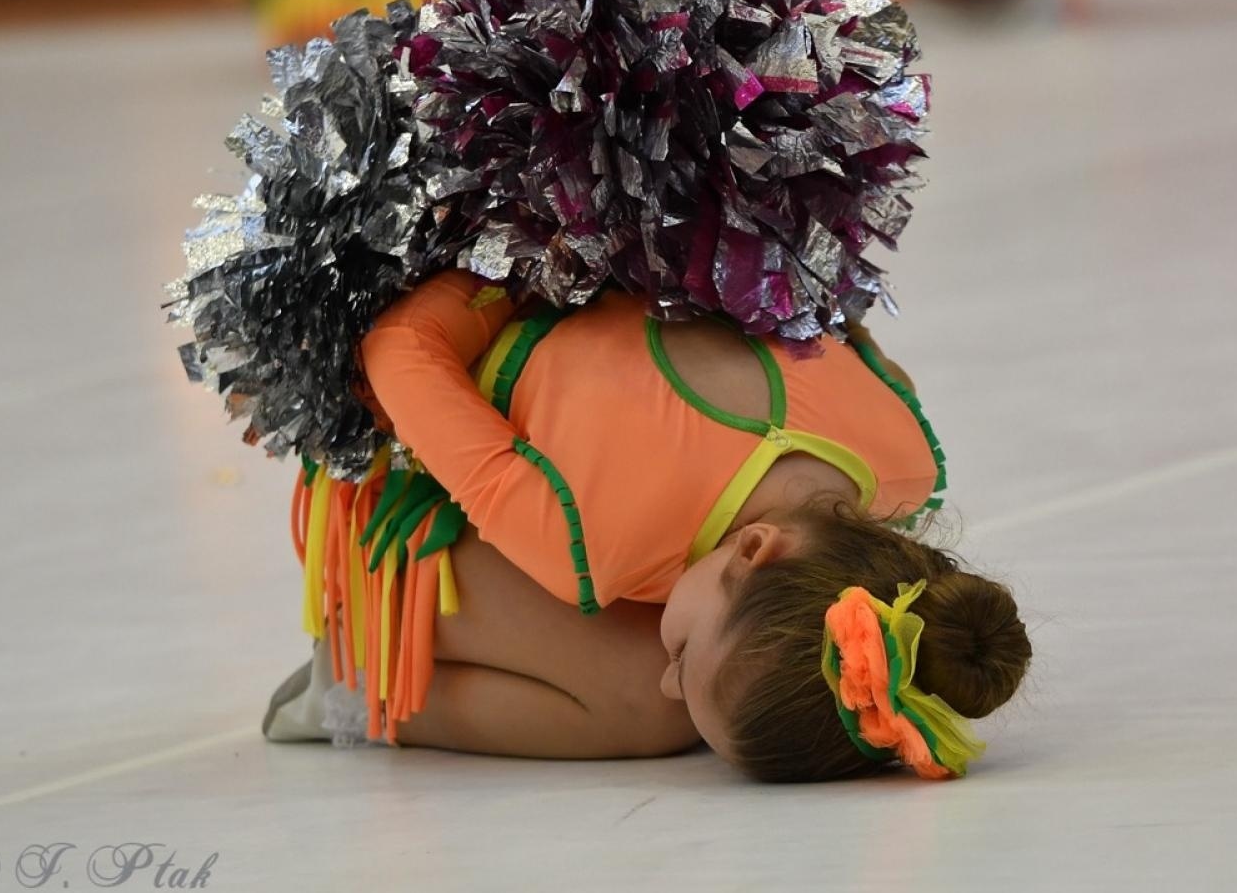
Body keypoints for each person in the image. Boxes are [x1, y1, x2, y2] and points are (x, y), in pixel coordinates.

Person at [264, 269, 1033, 781]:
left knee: (704, 685)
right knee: (646, 704)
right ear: (758, 549)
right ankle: (355, 682)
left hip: (583, 276)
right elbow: (398, 345)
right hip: (396, 480)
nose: (673, 674)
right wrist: (529, 255)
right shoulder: (591, 535)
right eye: (684, 653)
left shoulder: (901, 460)